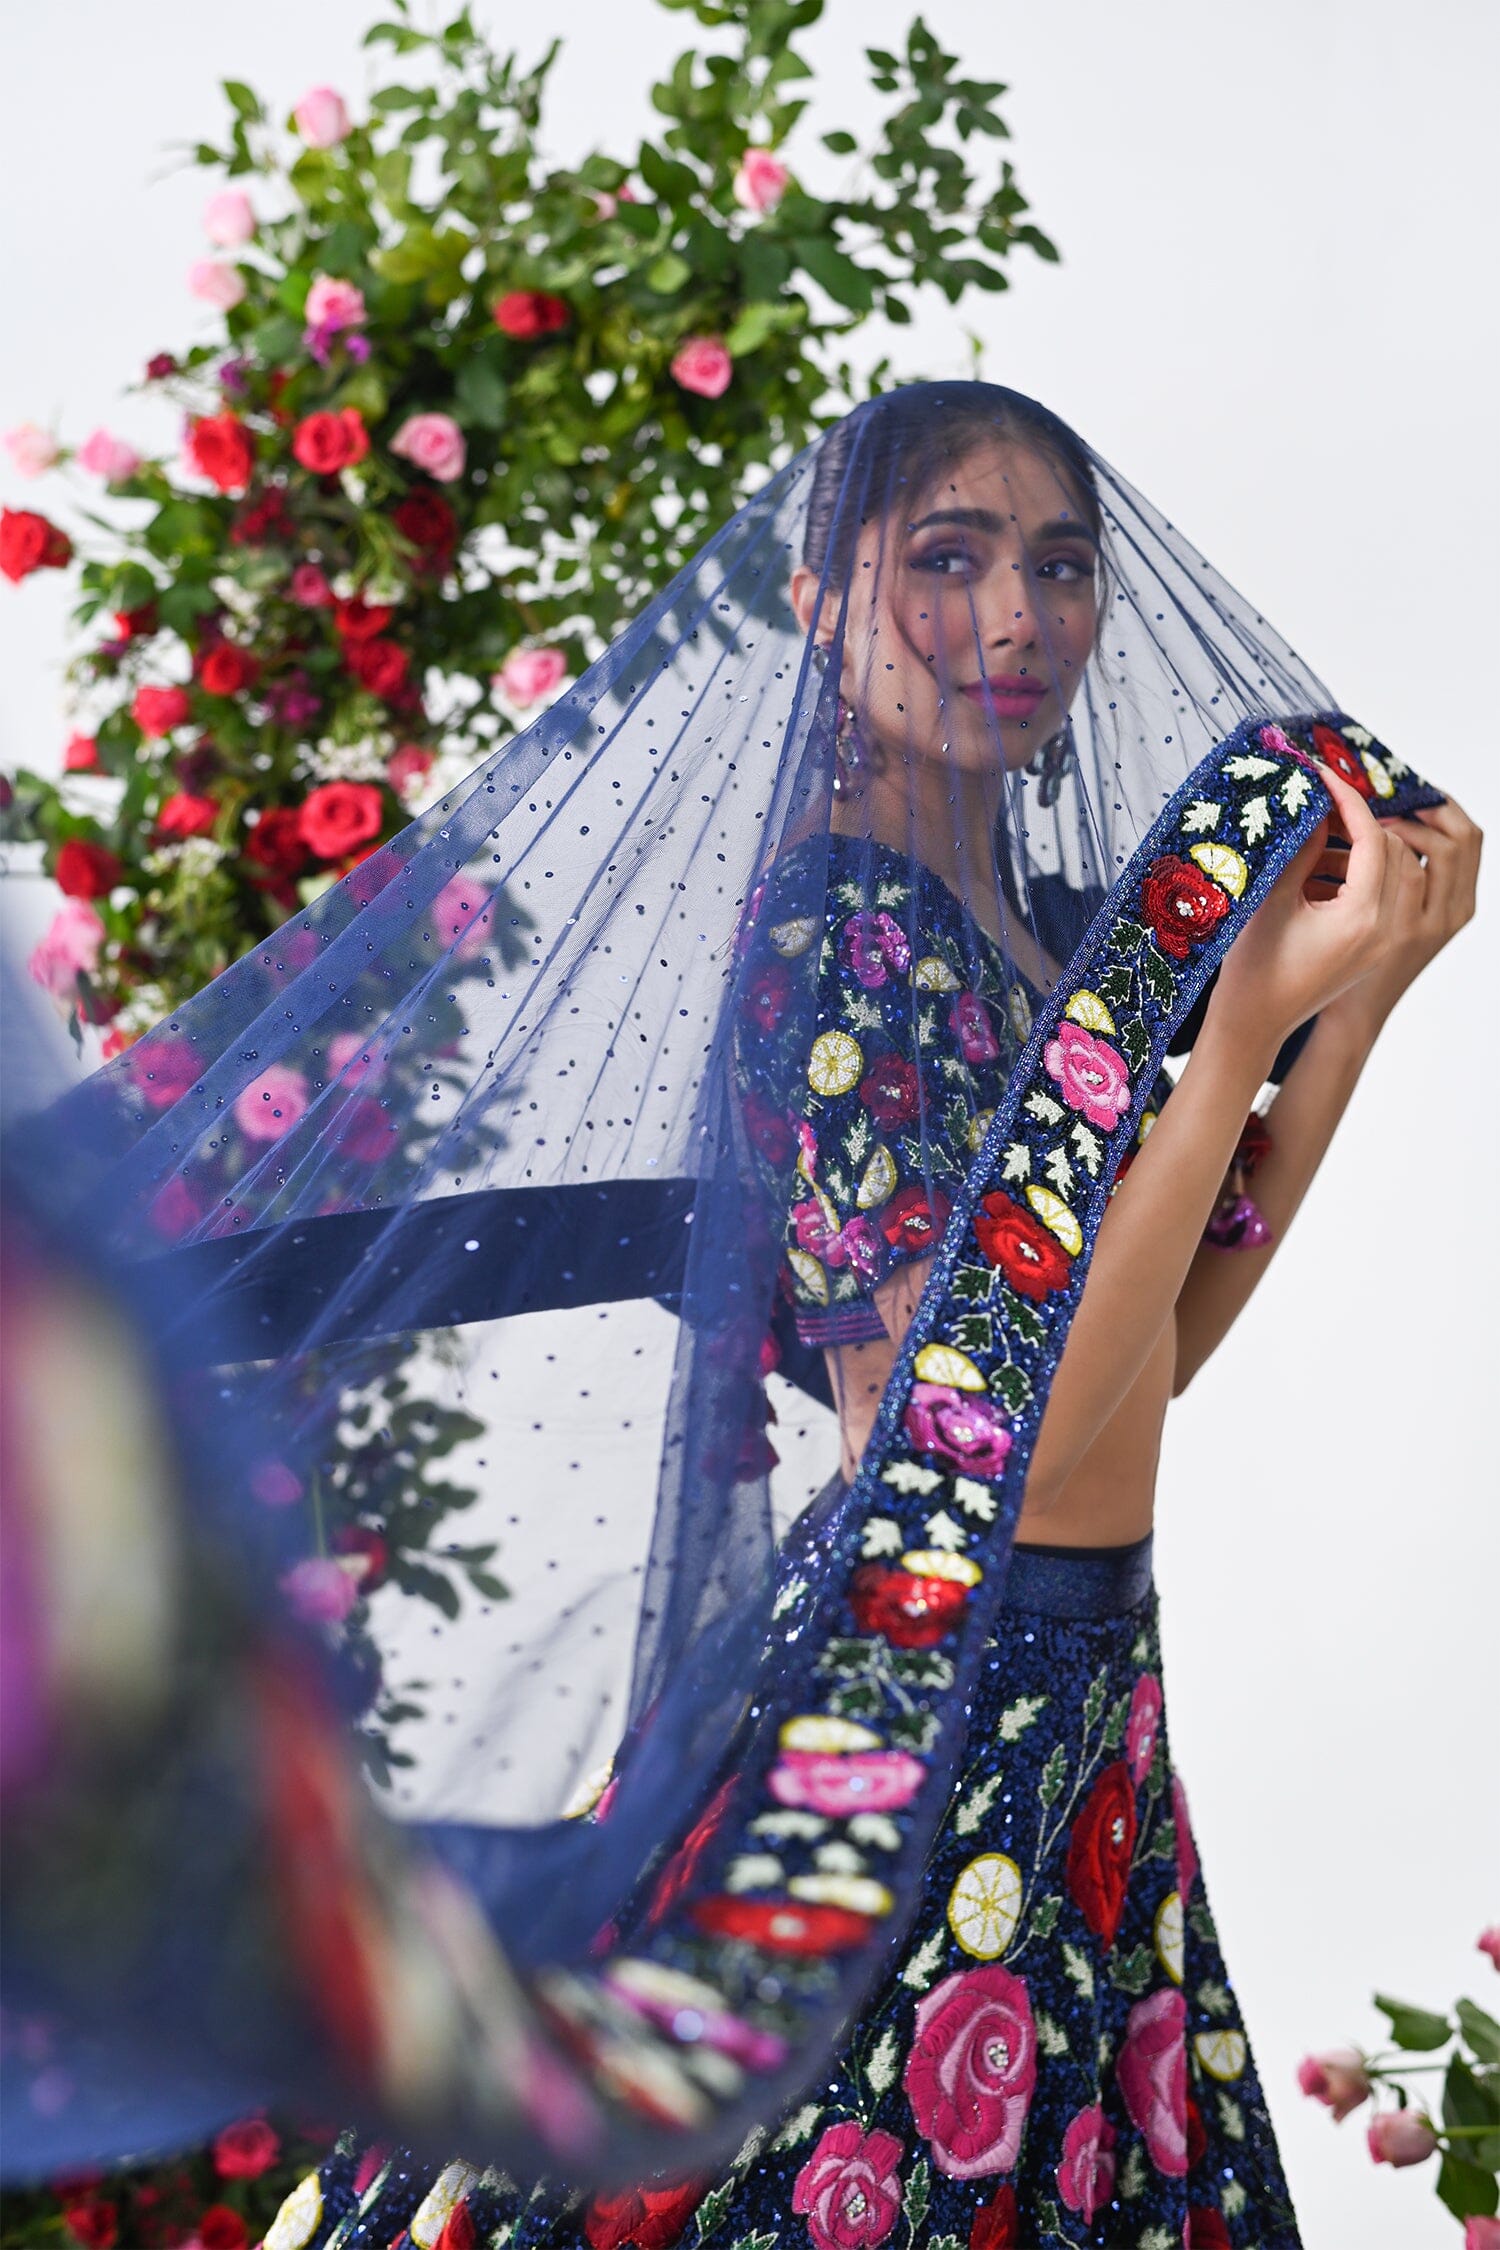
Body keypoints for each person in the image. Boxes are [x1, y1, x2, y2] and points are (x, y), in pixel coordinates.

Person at [5, 386, 1477, 2247]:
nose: (1016, 617)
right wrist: (1248, 1019)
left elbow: (1146, 1357)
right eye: (947, 557)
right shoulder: (835, 946)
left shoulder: (1022, 927)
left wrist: (1346, 1017)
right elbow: (997, 1450)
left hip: (1081, 1671)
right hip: (928, 1684)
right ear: (818, 600)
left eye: (1059, 566)